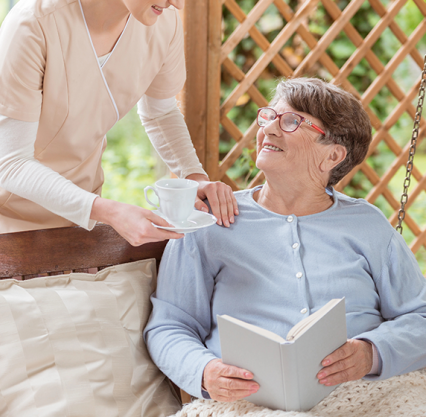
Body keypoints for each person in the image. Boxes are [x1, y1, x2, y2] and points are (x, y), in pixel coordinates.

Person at [143, 77, 426, 402]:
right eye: (269, 116)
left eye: (291, 121)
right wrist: (205, 372)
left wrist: (370, 353)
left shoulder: (368, 225)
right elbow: (169, 326)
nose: (269, 129)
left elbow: (420, 317)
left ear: (333, 156)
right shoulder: (208, 221)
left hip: (366, 398)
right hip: (247, 405)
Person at [0, 0, 238, 246]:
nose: (178, 4)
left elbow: (160, 112)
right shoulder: (33, 23)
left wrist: (194, 176)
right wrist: (110, 212)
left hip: (72, 206)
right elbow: (13, 164)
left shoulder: (164, 23)